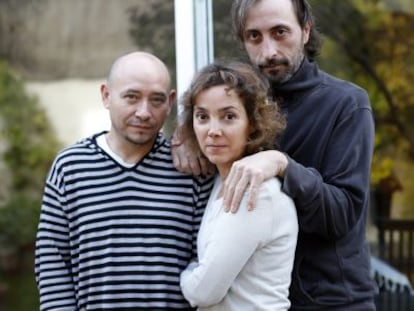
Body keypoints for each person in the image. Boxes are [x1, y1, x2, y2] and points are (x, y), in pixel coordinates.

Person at [172, 0, 377, 310]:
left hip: (333, 302)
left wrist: (282, 164)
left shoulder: (346, 104)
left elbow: (343, 213)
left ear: (306, 30)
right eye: (254, 36)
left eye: (280, 32)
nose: (268, 51)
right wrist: (186, 137)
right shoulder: (238, 107)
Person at [34, 51, 213, 310]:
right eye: (131, 97)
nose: (144, 112)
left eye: (156, 100)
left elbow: (207, 263)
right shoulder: (70, 166)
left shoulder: (190, 168)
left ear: (171, 101)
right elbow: (52, 263)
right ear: (106, 95)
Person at [178, 61, 298, 310]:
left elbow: (204, 292)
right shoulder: (221, 181)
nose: (213, 130)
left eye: (228, 117)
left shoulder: (257, 192)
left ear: (252, 123)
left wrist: (188, 273)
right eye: (202, 117)